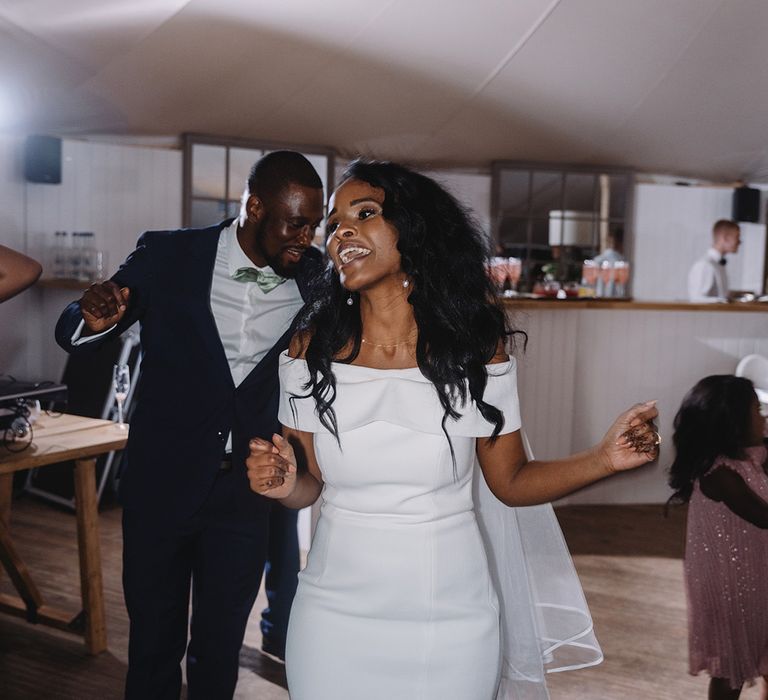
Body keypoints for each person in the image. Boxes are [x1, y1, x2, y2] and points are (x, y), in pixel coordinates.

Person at [245, 160, 661, 699]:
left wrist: (604, 458)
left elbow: (510, 482)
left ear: (413, 232)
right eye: (335, 222)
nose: (340, 232)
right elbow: (308, 483)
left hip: (449, 618)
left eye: (363, 214)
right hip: (333, 613)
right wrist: (282, 484)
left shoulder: (471, 353)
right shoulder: (311, 350)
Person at [54, 151, 324, 700]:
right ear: (253, 206)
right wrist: (88, 318)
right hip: (161, 483)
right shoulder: (168, 254)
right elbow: (77, 324)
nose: (307, 236)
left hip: (244, 500)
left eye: (314, 224)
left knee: (219, 654)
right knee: (153, 650)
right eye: (296, 222)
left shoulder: (319, 278)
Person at [668, 375, 768, 700]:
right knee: (731, 668)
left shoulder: (751, 451)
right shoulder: (721, 474)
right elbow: (763, 517)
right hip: (730, 582)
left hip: (758, 570)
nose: (763, 415)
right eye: (757, 409)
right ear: (733, 421)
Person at [687, 219, 741, 302]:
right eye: (737, 237)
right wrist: (725, 301)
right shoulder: (704, 265)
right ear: (726, 238)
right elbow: (697, 300)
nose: (739, 242)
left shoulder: (719, 264)